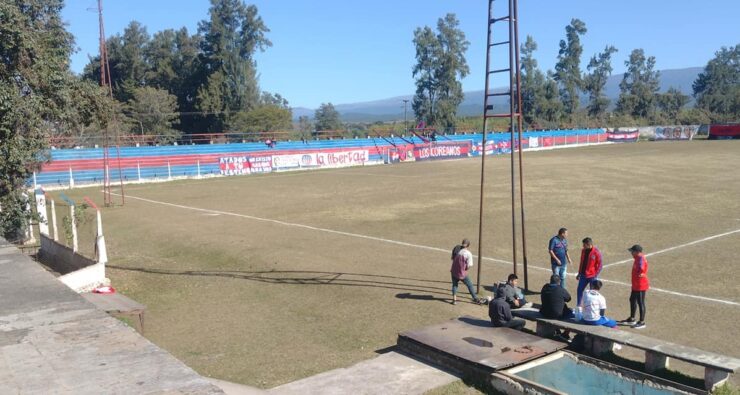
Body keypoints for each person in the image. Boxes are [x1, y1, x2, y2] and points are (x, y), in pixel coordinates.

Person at [620, 245, 649, 329]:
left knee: (641, 302)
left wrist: (641, 272)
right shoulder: (637, 258)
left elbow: (642, 268)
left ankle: (642, 322)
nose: (631, 253)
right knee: (632, 299)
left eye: (632, 251)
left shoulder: (640, 258)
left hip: (641, 284)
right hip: (636, 284)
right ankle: (632, 319)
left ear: (637, 252)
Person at [450, 239, 481, 305]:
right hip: (461, 273)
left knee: (455, 285)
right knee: (470, 285)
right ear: (468, 245)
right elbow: (469, 265)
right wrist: (465, 269)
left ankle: (454, 300)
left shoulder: (457, 249)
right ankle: (475, 298)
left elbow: (452, 258)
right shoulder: (468, 253)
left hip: (453, 271)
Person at [576, 237, 602, 307]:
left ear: (588, 244)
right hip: (583, 275)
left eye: (584, 245)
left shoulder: (596, 252)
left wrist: (595, 275)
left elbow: (600, 265)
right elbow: (581, 262)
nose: (583, 246)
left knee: (592, 293)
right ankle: (579, 306)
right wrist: (579, 273)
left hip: (592, 276)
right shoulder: (583, 251)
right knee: (579, 290)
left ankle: (591, 307)